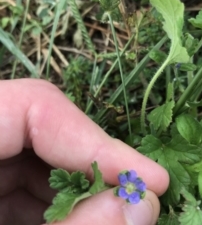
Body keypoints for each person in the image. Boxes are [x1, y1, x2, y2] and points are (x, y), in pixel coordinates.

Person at [0, 79, 169, 225]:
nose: (130, 187)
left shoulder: (132, 185)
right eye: (130, 186)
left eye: (131, 187)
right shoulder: (125, 188)